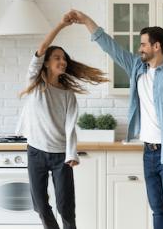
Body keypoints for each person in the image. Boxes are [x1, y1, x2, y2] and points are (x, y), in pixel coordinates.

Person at [68, 9, 163, 229]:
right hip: (149, 152)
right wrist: (86, 21)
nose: (140, 49)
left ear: (157, 46)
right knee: (158, 209)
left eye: (143, 44)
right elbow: (110, 47)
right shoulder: (137, 67)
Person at [16, 13, 109, 229]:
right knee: (40, 206)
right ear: (46, 63)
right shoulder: (36, 83)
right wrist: (60, 25)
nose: (62, 61)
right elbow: (43, 45)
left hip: (60, 156)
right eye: (57, 57)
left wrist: (71, 153)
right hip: (36, 151)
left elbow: (70, 126)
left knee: (66, 207)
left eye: (64, 58)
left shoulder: (68, 95)